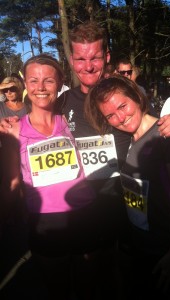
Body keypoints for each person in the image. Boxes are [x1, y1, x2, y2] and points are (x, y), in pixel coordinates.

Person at [0, 21, 170, 298]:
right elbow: (39, 112)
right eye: (80, 58)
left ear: (106, 57)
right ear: (72, 61)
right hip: (77, 216)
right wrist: (11, 125)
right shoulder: (62, 104)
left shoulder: (122, 94)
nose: (88, 66)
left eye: (95, 57)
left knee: (115, 283)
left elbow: (148, 121)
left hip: (124, 212)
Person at [0, 54, 123, 300]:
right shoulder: (13, 129)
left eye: (49, 81)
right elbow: (9, 184)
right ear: (26, 85)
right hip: (46, 225)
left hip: (85, 216)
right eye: (34, 81)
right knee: (59, 292)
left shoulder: (67, 119)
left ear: (60, 84)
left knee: (88, 289)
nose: (41, 88)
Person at [84, 74, 170, 299]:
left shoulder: (168, 135)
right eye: (110, 115)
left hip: (166, 251)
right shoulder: (127, 137)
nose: (120, 117)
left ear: (137, 97)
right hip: (141, 249)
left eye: (123, 106)